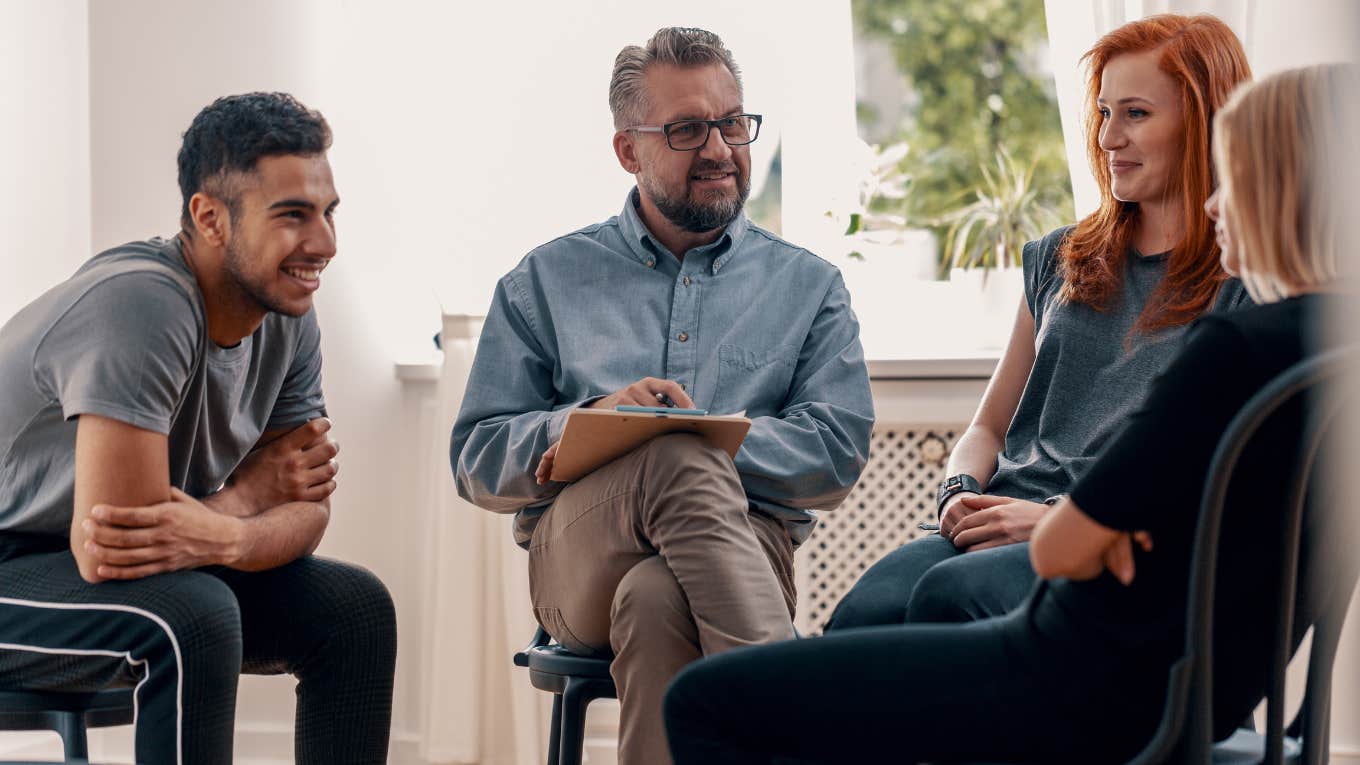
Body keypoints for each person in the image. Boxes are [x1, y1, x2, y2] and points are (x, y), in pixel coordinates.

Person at [665, 61, 1358, 765]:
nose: (1216, 203)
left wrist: (1084, 522)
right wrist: (1113, 522)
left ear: (1288, 192)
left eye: (1235, 178)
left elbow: (1060, 549)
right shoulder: (1328, 354)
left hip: (1067, 678)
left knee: (700, 700)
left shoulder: (1234, 347)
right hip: (1185, 690)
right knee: (861, 632)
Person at [450, 27, 874, 765]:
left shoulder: (809, 287)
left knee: (656, 599)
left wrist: (705, 435)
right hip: (579, 554)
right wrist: (598, 423)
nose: (718, 148)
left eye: (732, 122)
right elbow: (477, 457)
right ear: (628, 149)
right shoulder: (544, 280)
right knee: (675, 454)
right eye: (686, 129)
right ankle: (798, 726)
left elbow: (835, 455)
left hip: (750, 550)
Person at [0, 93, 396, 765]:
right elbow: (114, 548)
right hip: (16, 564)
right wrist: (244, 499)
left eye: (329, 212)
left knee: (354, 611)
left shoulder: (288, 312)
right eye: (293, 215)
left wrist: (234, 533)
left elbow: (306, 508)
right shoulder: (143, 303)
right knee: (191, 615)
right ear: (210, 218)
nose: (325, 243)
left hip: (99, 564)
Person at [828, 13, 1253, 631]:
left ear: (1206, 121)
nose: (1108, 138)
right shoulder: (1061, 257)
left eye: (1135, 113)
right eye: (1105, 113)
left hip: (1102, 541)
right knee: (860, 616)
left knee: (947, 602)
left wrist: (1058, 521)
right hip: (991, 519)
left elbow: (1211, 479)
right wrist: (957, 493)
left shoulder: (1241, 286)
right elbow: (988, 425)